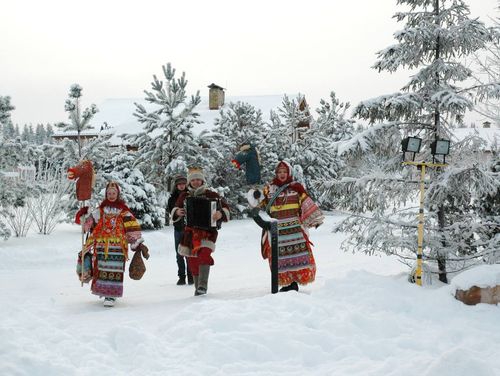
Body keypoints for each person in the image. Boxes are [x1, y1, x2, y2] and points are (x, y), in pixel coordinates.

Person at [259, 161, 324, 292]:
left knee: (296, 257)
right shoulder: (268, 189)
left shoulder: (296, 188)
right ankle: (286, 283)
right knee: (280, 258)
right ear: (276, 174)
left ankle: (294, 283)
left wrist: (315, 219)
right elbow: (260, 205)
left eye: (284, 172)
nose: (282, 174)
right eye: (279, 172)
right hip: (277, 231)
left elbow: (306, 202)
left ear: (288, 173)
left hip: (295, 230)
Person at [83, 181, 149, 307]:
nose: (111, 195)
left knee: (115, 270)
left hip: (118, 247)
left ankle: (111, 295)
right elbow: (88, 223)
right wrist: (84, 217)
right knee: (102, 269)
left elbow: (132, 226)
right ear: (106, 194)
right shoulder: (100, 210)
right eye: (109, 193)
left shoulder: (123, 211)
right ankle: (104, 292)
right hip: (102, 246)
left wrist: (136, 242)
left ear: (118, 194)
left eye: (114, 193)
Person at [173, 167, 230, 296]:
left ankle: (202, 286)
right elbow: (176, 208)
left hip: (208, 233)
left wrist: (220, 213)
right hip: (189, 233)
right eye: (193, 180)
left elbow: (226, 208)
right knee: (192, 260)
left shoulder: (211, 195)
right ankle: (198, 288)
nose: (196, 182)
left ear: (203, 181)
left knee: (204, 254)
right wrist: (177, 211)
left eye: (199, 179)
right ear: (189, 182)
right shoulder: (184, 196)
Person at [167, 174, 194, 286]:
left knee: (189, 253)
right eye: (179, 184)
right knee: (179, 254)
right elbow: (170, 211)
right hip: (178, 228)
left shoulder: (190, 195)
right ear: (176, 185)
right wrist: (176, 212)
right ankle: (181, 276)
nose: (182, 186)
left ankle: (191, 276)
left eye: (183, 184)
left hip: (189, 228)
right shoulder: (172, 198)